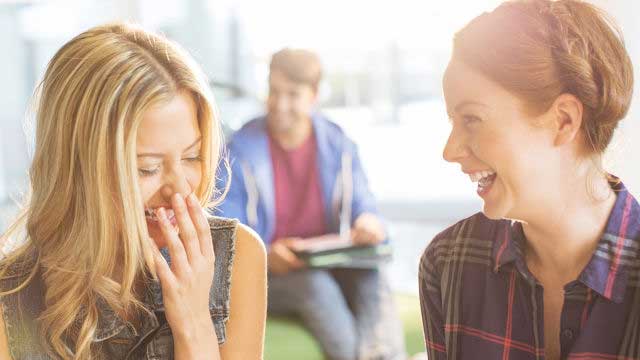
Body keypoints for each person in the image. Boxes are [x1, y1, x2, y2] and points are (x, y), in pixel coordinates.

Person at [0, 23, 267, 360]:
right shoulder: (10, 301)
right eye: (147, 168)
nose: (180, 188)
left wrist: (195, 326)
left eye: (192, 156)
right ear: (79, 169)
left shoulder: (238, 257)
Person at [419, 0, 638, 359]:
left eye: (471, 118)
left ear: (563, 120)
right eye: (451, 121)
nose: (450, 150)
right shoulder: (447, 262)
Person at [217, 48, 406, 360]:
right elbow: (227, 228)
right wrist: (263, 252)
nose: (280, 104)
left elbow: (364, 205)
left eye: (293, 94)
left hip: (324, 261)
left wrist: (368, 222)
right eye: (274, 92)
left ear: (314, 96)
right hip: (268, 273)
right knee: (314, 286)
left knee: (372, 276)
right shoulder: (239, 150)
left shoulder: (338, 144)